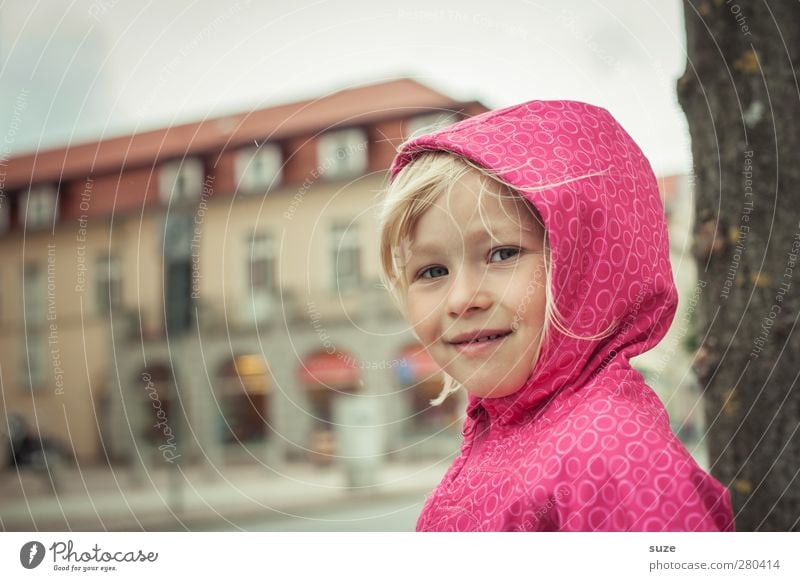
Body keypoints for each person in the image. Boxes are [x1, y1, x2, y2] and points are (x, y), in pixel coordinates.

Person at [377, 99, 735, 532]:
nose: (462, 298)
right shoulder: (514, 429)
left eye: (502, 253)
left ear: (585, 261)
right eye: (432, 271)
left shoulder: (613, 456)